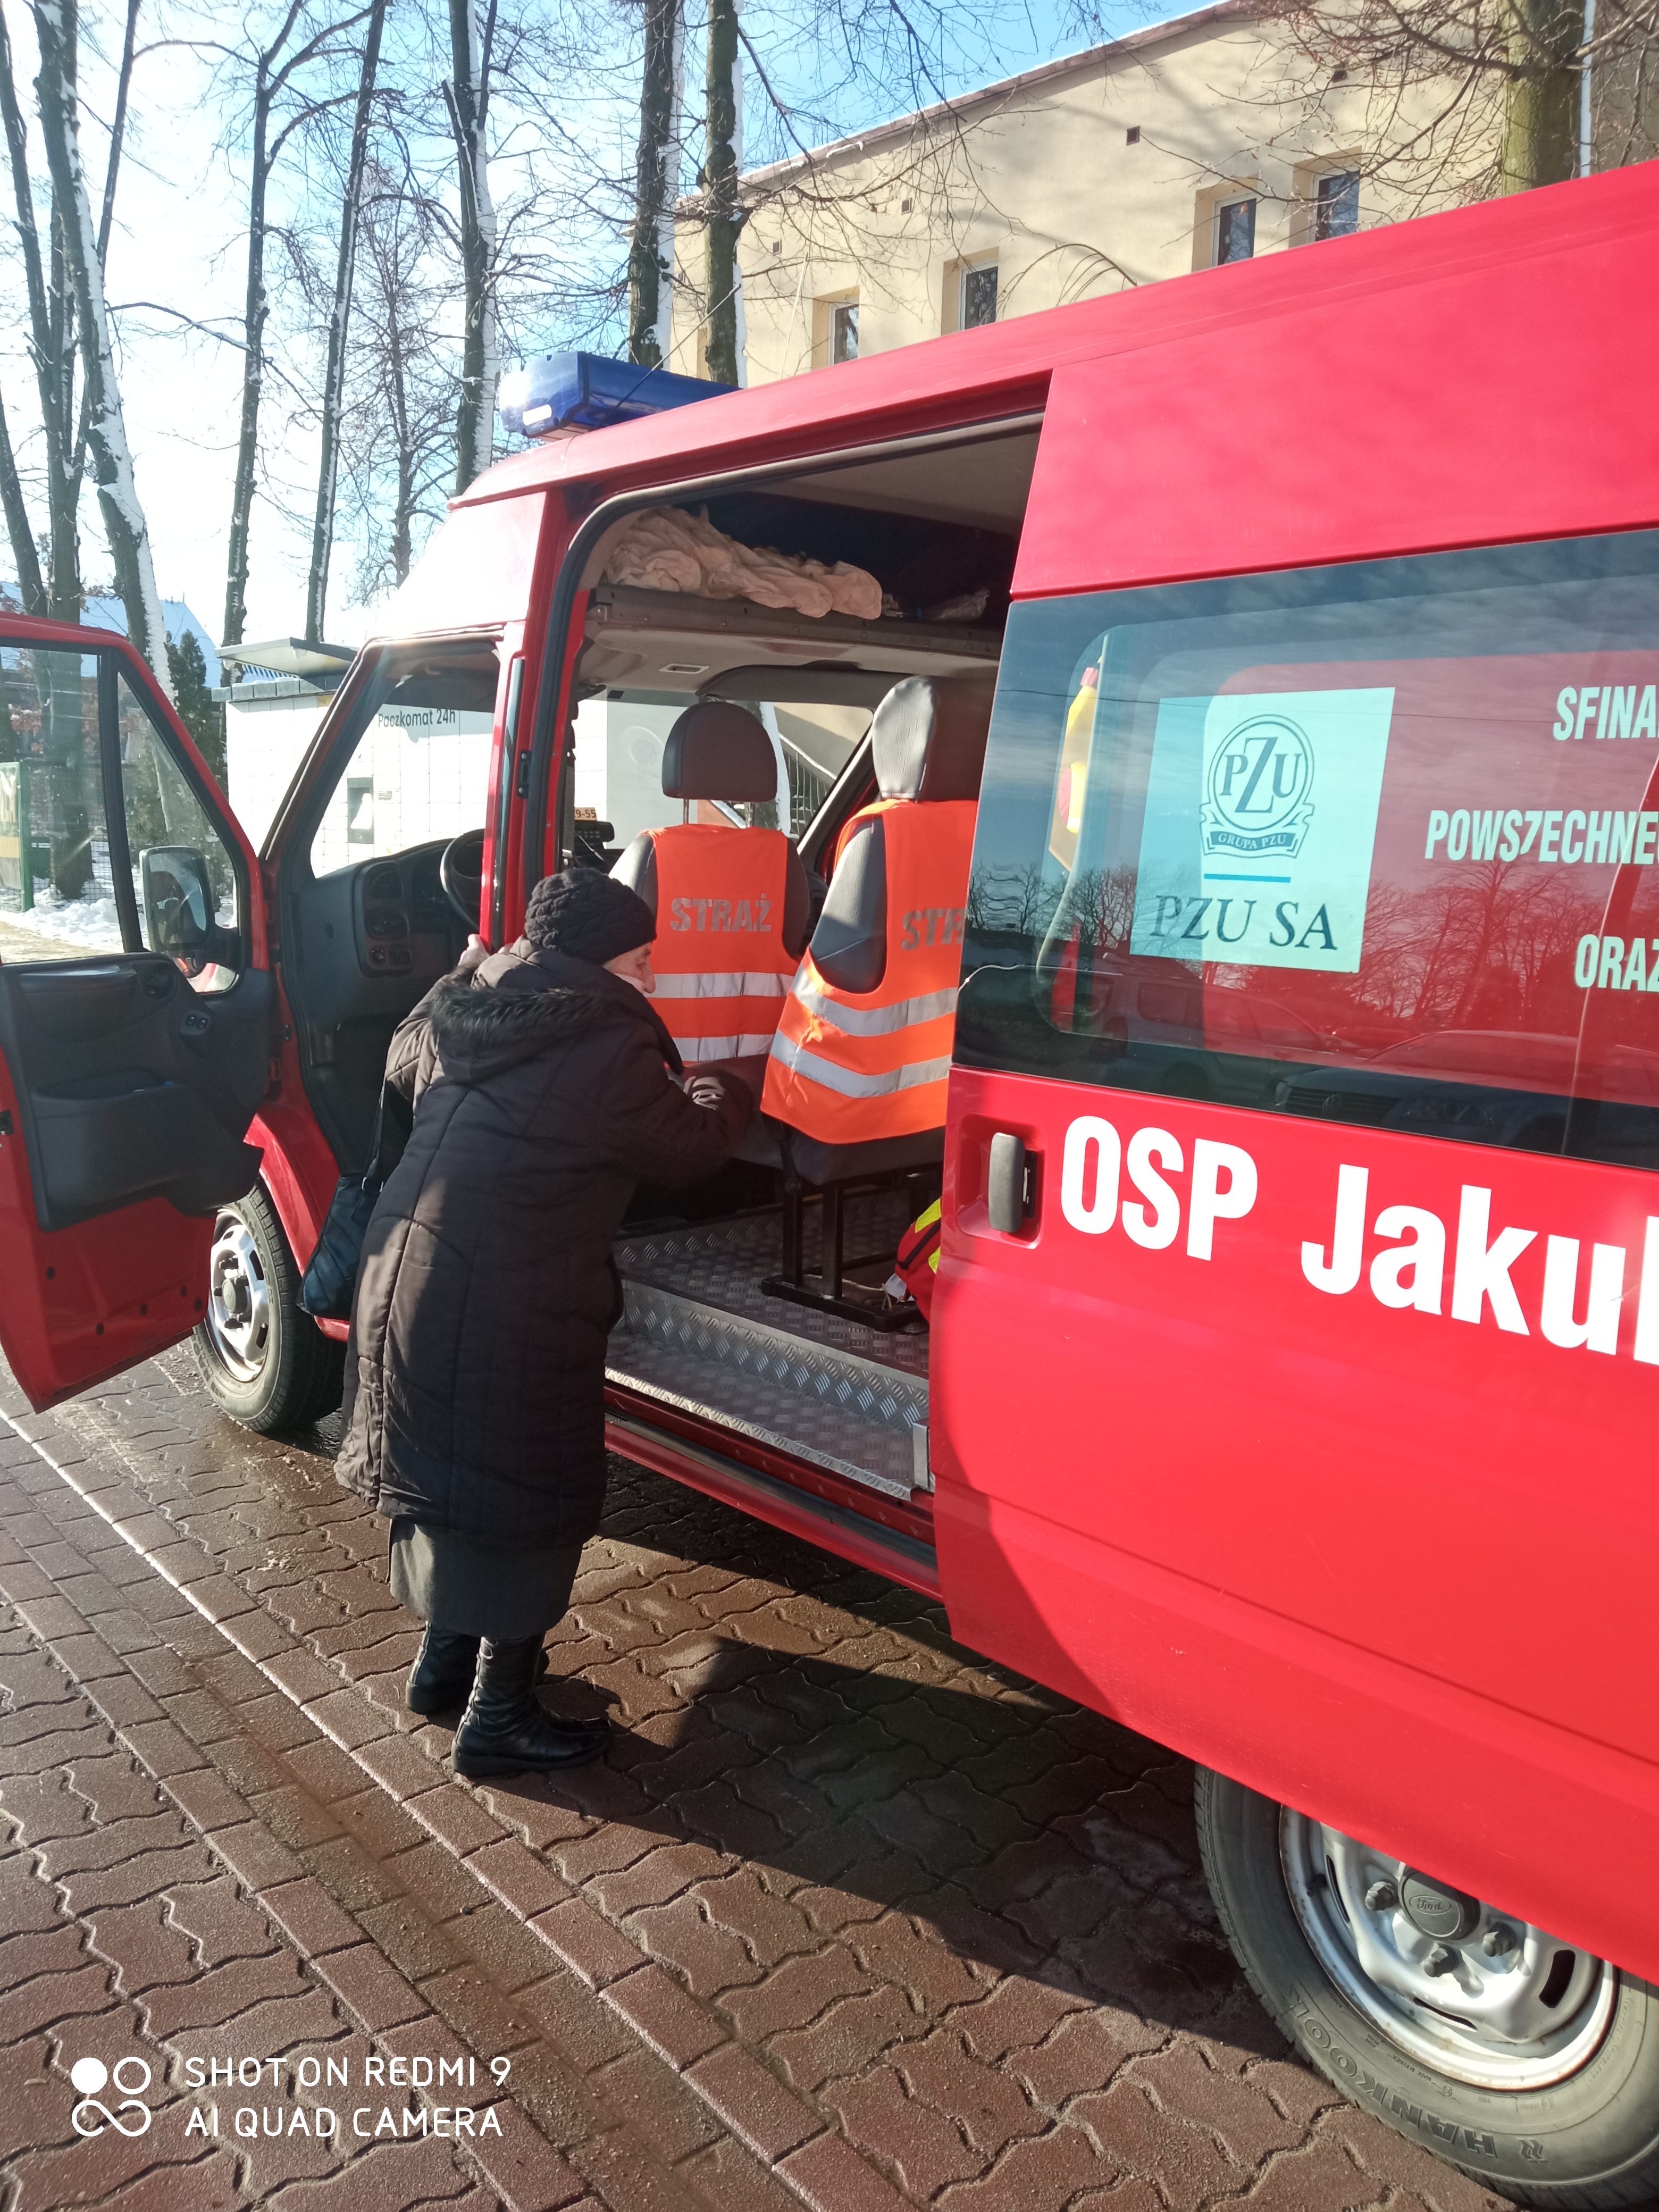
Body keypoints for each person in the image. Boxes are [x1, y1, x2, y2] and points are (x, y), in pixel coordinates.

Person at [335, 870, 752, 1778]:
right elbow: (688, 1150)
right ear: (600, 961)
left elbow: (400, 1063)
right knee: (524, 1495)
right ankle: (500, 1716)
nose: (648, 977)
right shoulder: (605, 1043)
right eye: (641, 960)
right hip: (507, 1302)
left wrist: (461, 972)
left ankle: (442, 1669)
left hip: (406, 1277)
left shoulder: (460, 1007)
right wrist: (721, 1086)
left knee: (455, 1480)